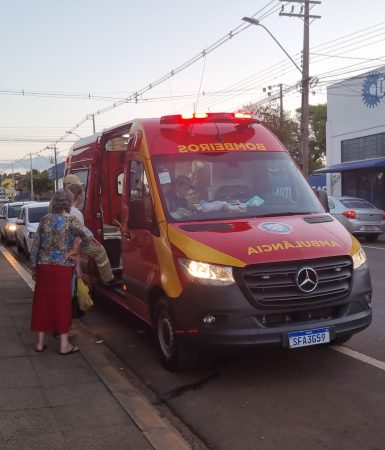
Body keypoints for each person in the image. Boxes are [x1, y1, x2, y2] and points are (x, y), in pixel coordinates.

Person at [30, 189, 92, 354]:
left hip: (44, 267)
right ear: (68, 203)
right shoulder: (71, 220)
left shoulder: (44, 220)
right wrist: (76, 251)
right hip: (62, 267)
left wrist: (33, 266)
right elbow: (88, 237)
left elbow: (36, 244)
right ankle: (64, 345)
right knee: (62, 303)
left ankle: (40, 343)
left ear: (54, 202)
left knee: (42, 302)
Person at [67, 183, 118, 286]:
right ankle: (108, 279)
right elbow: (81, 233)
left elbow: (82, 230)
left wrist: (92, 238)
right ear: (79, 196)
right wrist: (91, 239)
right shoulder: (76, 213)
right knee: (100, 250)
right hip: (77, 244)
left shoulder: (66, 210)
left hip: (68, 242)